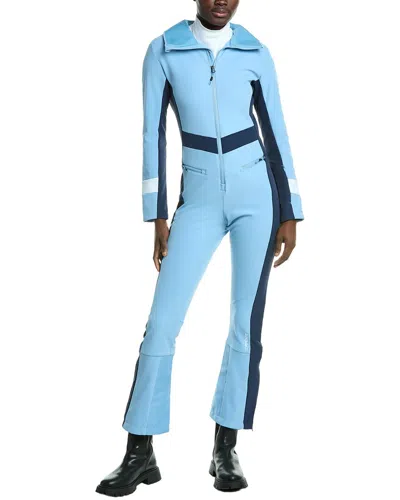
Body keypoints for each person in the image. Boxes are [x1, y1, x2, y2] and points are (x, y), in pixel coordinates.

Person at [96, 0, 304, 496]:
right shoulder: (164, 50)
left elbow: (275, 130)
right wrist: (157, 214)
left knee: (244, 324)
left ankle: (225, 447)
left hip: (257, 194)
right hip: (199, 196)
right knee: (162, 324)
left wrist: (290, 209)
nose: (221, 1)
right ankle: (139, 451)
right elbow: (152, 134)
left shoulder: (255, 52)